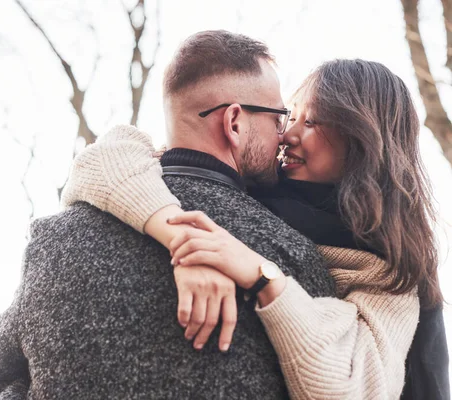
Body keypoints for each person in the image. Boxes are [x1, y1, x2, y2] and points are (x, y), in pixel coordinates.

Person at [0, 30, 340, 400]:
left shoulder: (56, 238)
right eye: (279, 117)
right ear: (234, 123)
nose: (283, 134)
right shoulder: (290, 260)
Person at [62, 59, 449, 398]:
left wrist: (262, 275)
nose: (287, 136)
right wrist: (180, 237)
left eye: (310, 121)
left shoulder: (390, 267)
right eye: (289, 117)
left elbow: (356, 388)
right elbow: (103, 160)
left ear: (363, 139)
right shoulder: (248, 185)